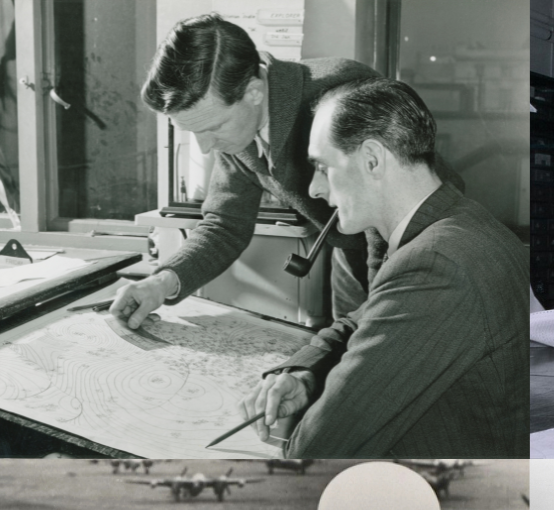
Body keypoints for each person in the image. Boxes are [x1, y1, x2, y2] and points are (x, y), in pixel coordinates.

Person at [111, 14, 459, 331]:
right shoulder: (237, 129)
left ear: (253, 92)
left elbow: (387, 209)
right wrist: (162, 281)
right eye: (194, 132)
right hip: (352, 246)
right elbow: (225, 225)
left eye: (214, 128)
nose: (205, 147)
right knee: (343, 355)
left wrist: (375, 323)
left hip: (421, 240)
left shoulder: (338, 93)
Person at [238, 79, 527, 456]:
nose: (313, 190)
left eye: (323, 168)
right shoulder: (456, 227)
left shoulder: (436, 266)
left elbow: (319, 448)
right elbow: (370, 318)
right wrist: (305, 375)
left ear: (373, 160)